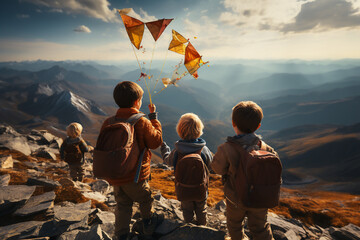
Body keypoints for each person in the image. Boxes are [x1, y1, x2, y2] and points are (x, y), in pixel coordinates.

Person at [100, 81, 163, 240]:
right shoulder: (142, 121)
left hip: (116, 176)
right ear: (137, 102)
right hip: (135, 176)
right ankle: (148, 223)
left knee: (123, 205)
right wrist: (154, 118)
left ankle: (121, 234)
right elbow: (156, 142)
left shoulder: (109, 122)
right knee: (146, 198)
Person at [211, 101, 276, 240]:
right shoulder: (267, 149)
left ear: (233, 123)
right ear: (258, 126)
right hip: (260, 198)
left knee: (234, 224)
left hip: (235, 197)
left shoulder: (227, 148)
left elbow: (217, 169)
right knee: (260, 227)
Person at [161, 113, 213, 226]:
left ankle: (189, 228)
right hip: (201, 188)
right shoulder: (204, 149)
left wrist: (165, 149)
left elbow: (168, 161)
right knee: (201, 210)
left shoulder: (176, 151)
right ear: (199, 130)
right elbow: (210, 164)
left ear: (180, 131)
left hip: (183, 189)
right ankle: (202, 229)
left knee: (187, 210)